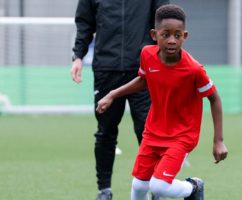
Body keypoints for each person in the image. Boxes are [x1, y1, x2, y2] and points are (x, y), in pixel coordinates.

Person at [96, 4, 228, 200]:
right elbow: (143, 80)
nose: (172, 40)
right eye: (165, 34)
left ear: (185, 36)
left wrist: (218, 141)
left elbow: (214, 98)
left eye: (177, 35)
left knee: (158, 187)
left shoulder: (194, 70)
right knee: (139, 185)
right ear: (154, 35)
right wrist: (113, 94)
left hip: (181, 136)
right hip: (153, 132)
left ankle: (193, 188)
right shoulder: (147, 55)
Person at [71, 0, 169, 199]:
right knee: (105, 132)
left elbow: (164, 21)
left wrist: (164, 58)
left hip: (144, 70)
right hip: (106, 69)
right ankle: (104, 190)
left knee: (148, 132)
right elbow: (84, 24)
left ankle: (156, 189)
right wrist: (78, 56)